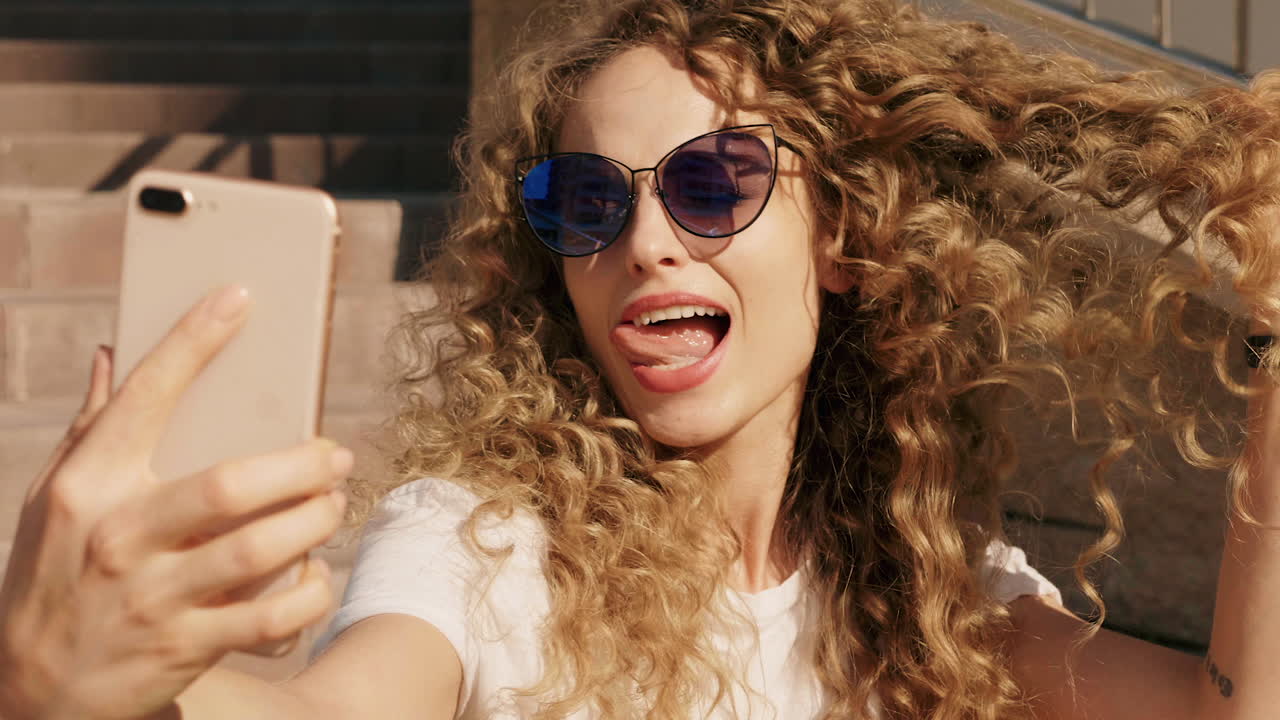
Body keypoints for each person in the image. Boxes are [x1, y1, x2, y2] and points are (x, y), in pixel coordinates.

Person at [2, 0, 1278, 718]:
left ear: (839, 238)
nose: (649, 241)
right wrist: (66, 685)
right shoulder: (477, 549)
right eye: (585, 201)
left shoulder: (931, 592)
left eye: (714, 181)